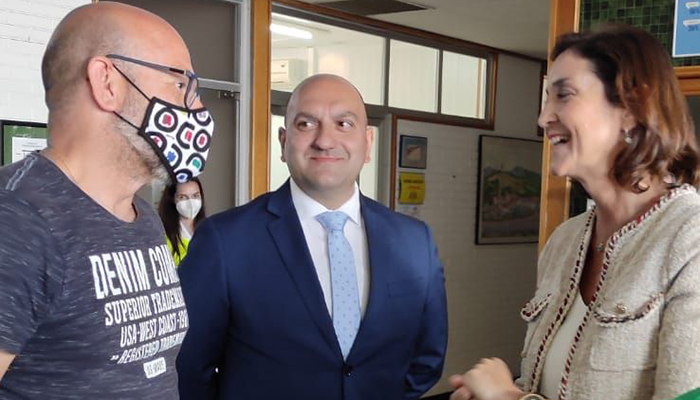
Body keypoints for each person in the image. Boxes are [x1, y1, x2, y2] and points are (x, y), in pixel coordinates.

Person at [450, 25, 700, 400]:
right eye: (546, 98)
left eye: (563, 95)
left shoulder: (690, 239)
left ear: (632, 107)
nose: (543, 118)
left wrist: (508, 397)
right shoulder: (564, 241)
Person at [176, 74, 448, 400]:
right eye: (306, 124)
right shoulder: (225, 241)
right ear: (283, 141)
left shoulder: (414, 241)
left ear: (368, 143)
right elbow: (189, 367)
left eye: (344, 124)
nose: (325, 140)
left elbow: (427, 360)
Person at [0, 2, 215, 398]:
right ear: (107, 83)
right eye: (179, 84)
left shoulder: (143, 216)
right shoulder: (16, 219)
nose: (196, 108)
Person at [159, 177, 207, 266]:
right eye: (183, 197)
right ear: (173, 199)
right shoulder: (162, 233)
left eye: (195, 196)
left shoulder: (209, 230)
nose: (191, 202)